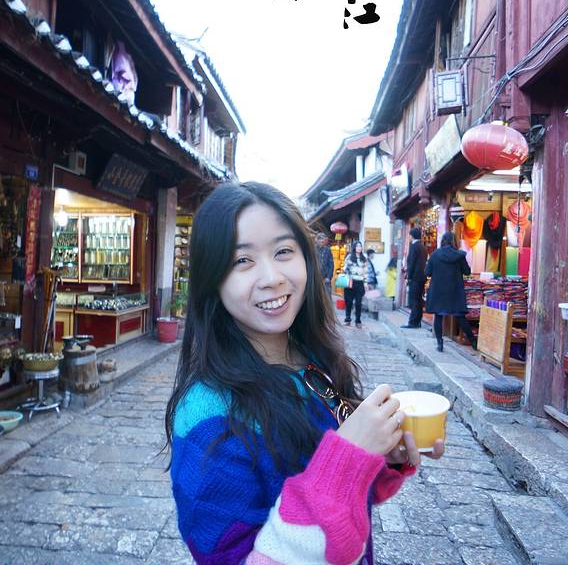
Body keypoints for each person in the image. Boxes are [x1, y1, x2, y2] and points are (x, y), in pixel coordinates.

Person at [165, 182, 444, 564]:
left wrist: (381, 457)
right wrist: (349, 456)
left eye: (283, 251)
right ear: (212, 280)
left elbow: (344, 499)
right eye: (242, 260)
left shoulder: (311, 362)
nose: (271, 277)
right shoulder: (207, 414)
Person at [425, 232, 478, 352]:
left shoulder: (435, 255)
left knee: (438, 316)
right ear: (454, 241)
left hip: (438, 290)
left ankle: (440, 343)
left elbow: (427, 272)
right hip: (455, 290)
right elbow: (467, 271)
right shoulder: (459, 256)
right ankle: (473, 341)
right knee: (460, 316)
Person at [402, 227, 427, 329]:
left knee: (414, 300)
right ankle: (418, 321)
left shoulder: (414, 246)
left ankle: (413, 322)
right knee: (419, 300)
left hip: (415, 277)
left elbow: (411, 263)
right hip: (422, 277)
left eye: (409, 235)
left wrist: (409, 276)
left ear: (412, 236)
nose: (409, 237)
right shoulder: (423, 247)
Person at [343, 240, 369, 328]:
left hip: (360, 282)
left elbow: (366, 272)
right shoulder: (349, 257)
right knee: (349, 302)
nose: (359, 248)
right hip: (350, 281)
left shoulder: (364, 258)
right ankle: (347, 319)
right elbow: (345, 268)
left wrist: (365, 283)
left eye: (360, 246)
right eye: (357, 246)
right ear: (354, 247)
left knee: (358, 303)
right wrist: (351, 270)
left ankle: (358, 320)